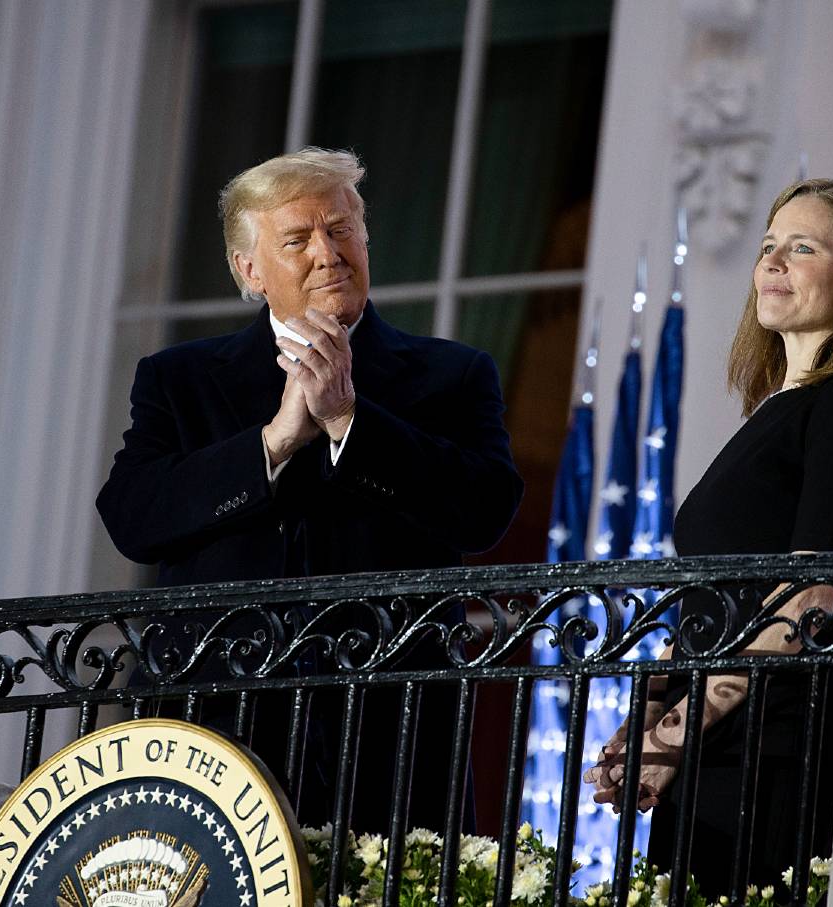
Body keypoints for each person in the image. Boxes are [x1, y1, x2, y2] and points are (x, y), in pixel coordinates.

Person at [97, 148, 523, 832]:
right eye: (297, 239)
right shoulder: (181, 379)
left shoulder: (454, 374)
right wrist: (273, 442)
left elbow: (484, 511)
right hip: (216, 735)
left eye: (342, 229)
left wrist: (350, 420)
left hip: (393, 735)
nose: (328, 253)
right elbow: (131, 515)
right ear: (250, 269)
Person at [584, 178, 833, 896]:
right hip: (710, 734)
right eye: (768, 246)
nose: (773, 261)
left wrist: (673, 734)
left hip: (769, 739)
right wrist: (645, 718)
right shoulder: (779, 410)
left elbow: (809, 599)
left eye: (803, 247)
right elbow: (714, 603)